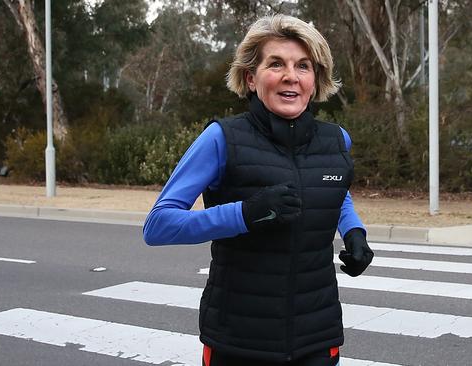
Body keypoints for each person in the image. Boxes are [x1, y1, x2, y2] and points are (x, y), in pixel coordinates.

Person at [143, 14, 373, 366]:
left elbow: (333, 187)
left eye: (303, 66)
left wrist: (354, 230)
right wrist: (244, 214)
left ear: (315, 80)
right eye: (275, 64)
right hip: (239, 341)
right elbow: (158, 225)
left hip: (317, 335)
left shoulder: (336, 140)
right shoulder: (222, 139)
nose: (290, 76)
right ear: (251, 78)